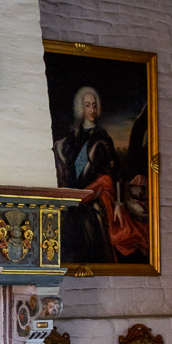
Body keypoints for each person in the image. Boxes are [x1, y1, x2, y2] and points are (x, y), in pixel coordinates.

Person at [53, 86, 118, 263]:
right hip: (74, 197)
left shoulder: (102, 137)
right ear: (80, 108)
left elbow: (114, 171)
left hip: (93, 198)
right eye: (88, 105)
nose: (92, 110)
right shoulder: (73, 137)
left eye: (94, 105)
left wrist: (118, 203)